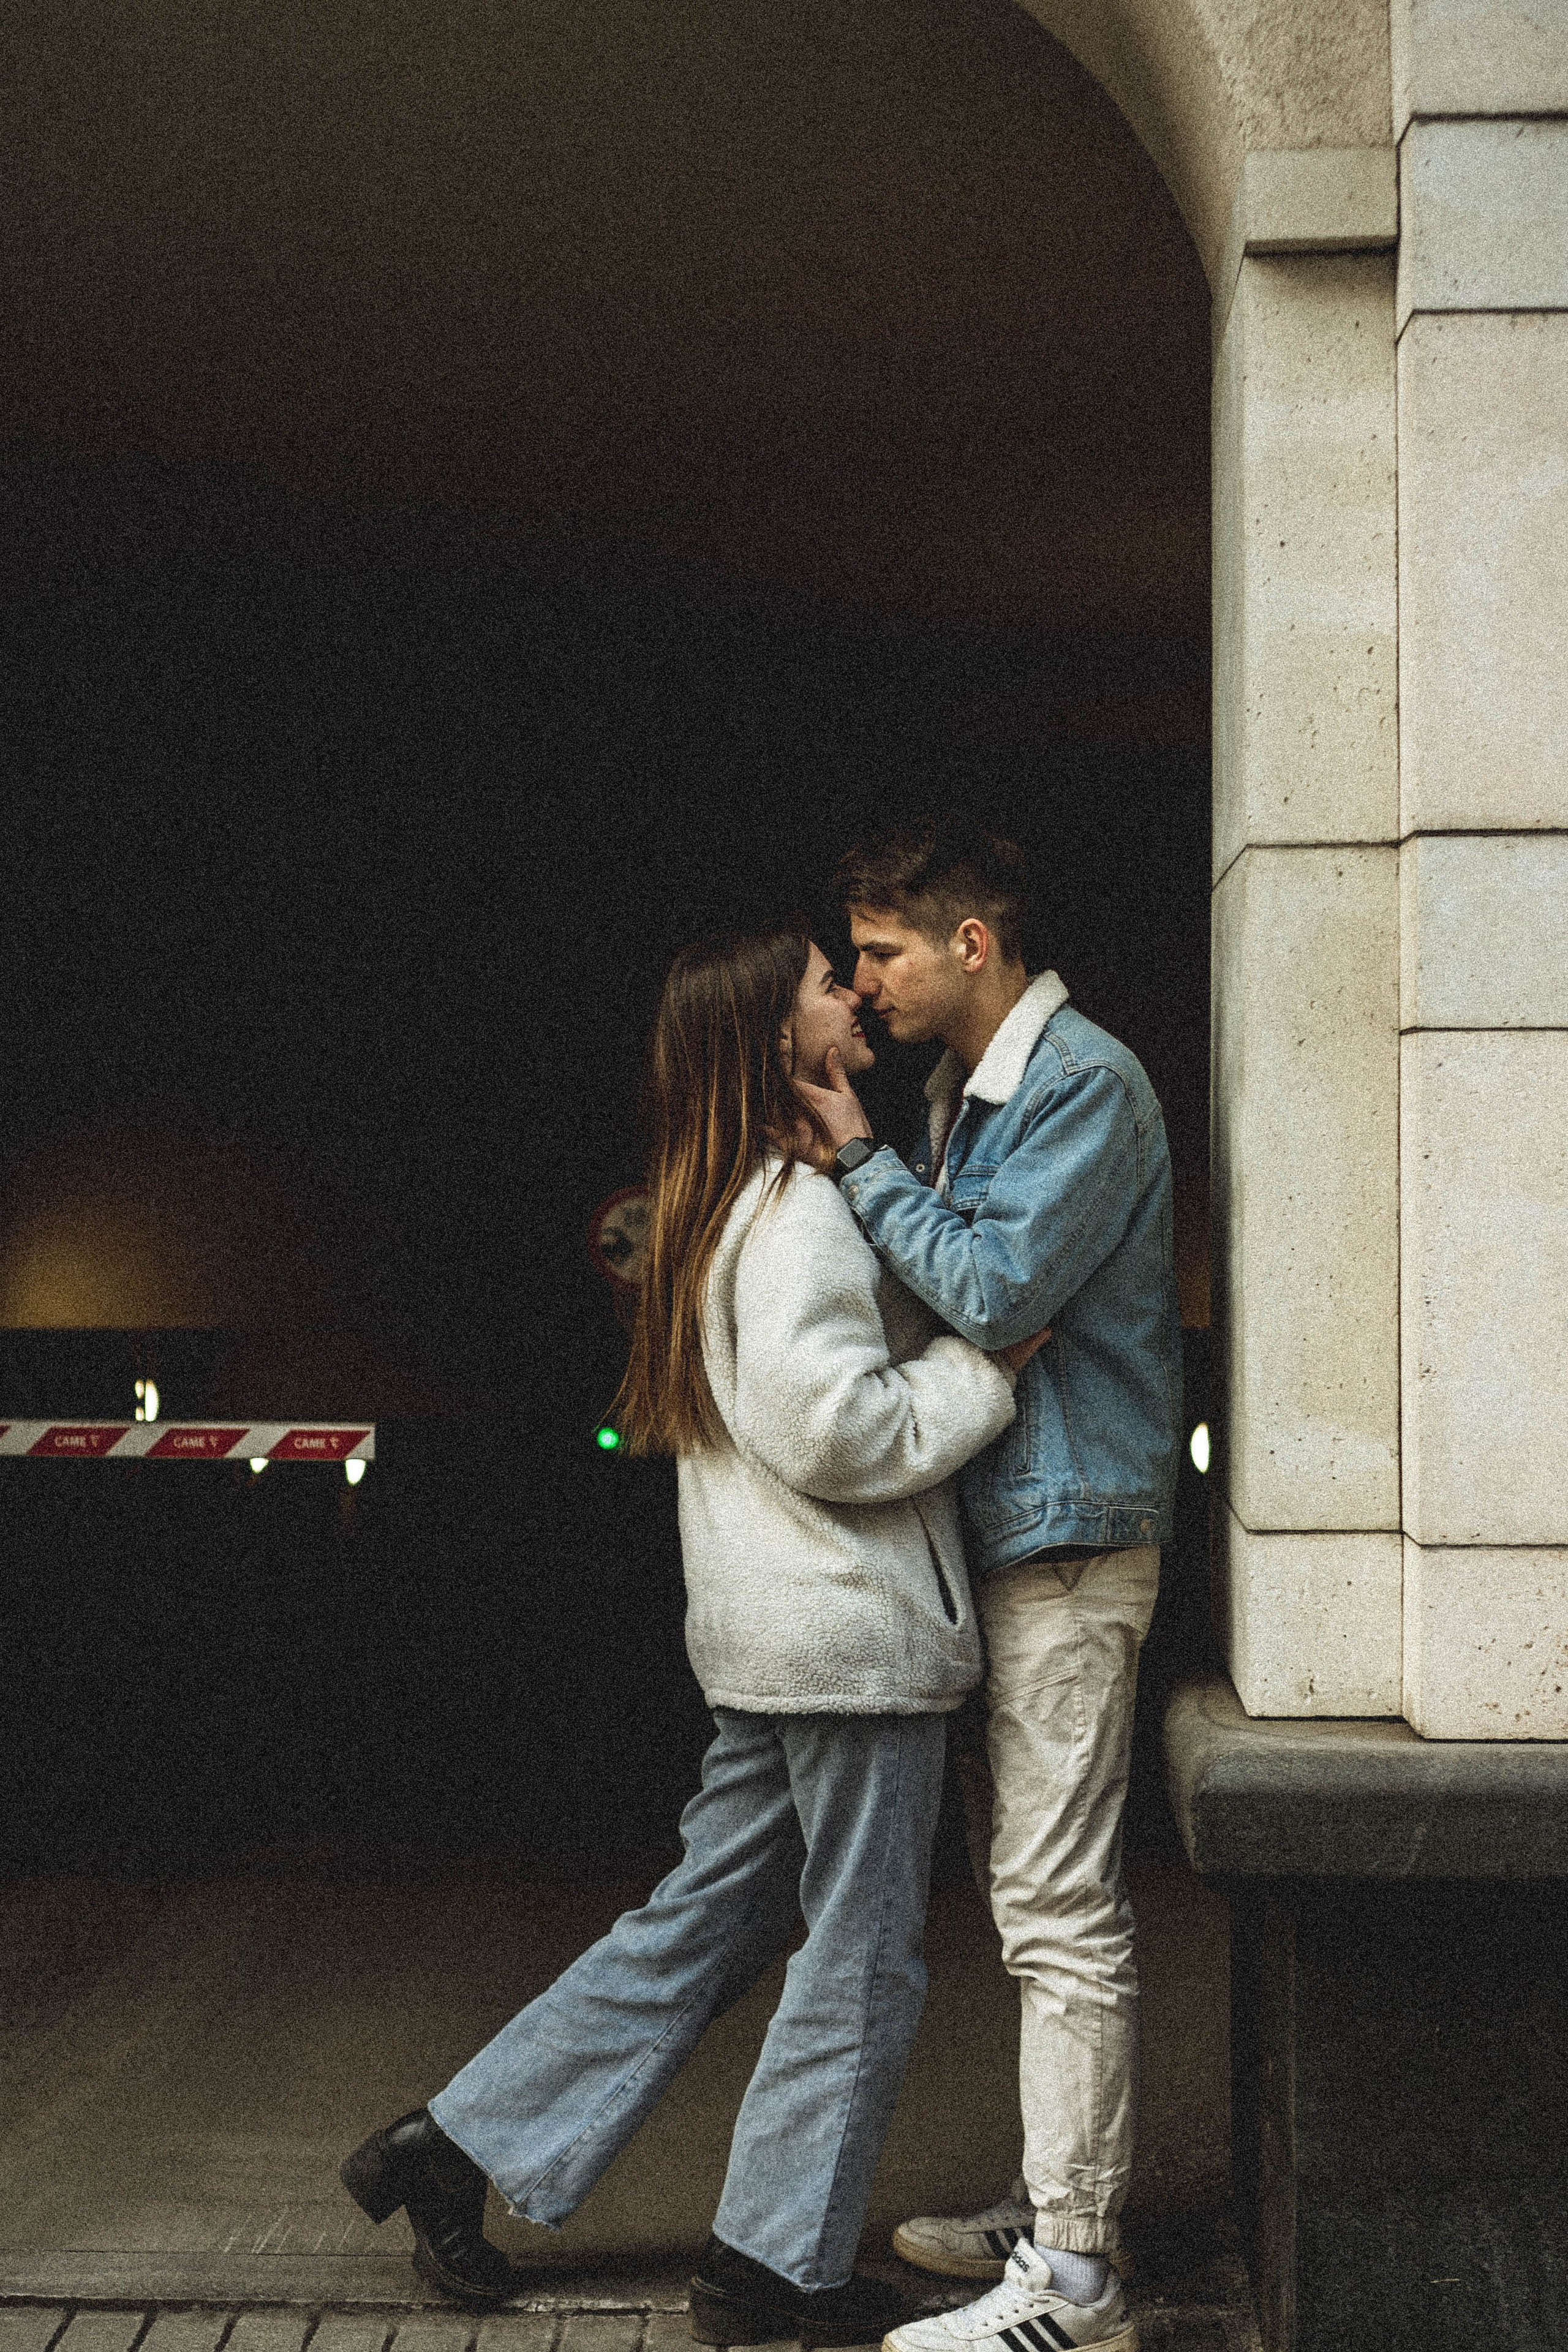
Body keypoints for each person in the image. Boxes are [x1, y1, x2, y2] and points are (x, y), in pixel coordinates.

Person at [339, 922, 1050, 2342]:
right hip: (846, 1648)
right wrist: (983, 1375)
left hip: (768, 1639)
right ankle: (768, 2266)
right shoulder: (784, 1218)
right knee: (861, 1953)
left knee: (703, 1922)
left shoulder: (726, 1198)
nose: (848, 991)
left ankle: (453, 2148)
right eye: (818, 984)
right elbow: (838, 1430)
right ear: (770, 1038)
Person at [794, 821, 1182, 2352]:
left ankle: (1077, 2283)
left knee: (1057, 1911)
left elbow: (992, 1290)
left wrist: (859, 1163)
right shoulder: (980, 1090)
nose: (865, 983)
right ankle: (1056, 2198)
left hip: (1069, 1544)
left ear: (970, 944)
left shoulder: (1081, 1082)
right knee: (1032, 1904)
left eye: (880, 951)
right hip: (1015, 1540)